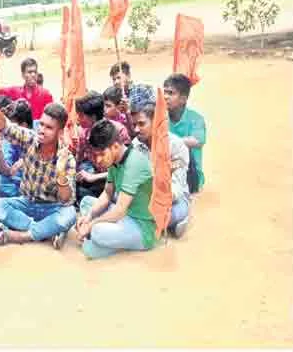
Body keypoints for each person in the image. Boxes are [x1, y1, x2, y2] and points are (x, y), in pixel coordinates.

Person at [0, 78, 77, 250]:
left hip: (52, 207)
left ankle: (24, 235)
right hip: (26, 203)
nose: (42, 130)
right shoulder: (30, 138)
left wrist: (60, 172)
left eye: (48, 128)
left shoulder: (67, 159)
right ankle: (46, 232)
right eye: (42, 125)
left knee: (69, 216)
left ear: (60, 132)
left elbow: (66, 199)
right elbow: (6, 127)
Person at [76, 120, 156, 259]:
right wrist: (88, 218)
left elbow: (119, 210)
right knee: (86, 203)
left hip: (141, 226)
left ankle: (100, 242)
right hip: (124, 216)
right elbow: (107, 194)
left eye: (101, 154)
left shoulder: (134, 163)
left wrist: (90, 225)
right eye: (96, 155)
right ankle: (104, 243)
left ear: (115, 146)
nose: (98, 160)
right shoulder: (114, 161)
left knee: (97, 232)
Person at [132, 103, 190, 238]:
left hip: (173, 199)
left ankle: (176, 219)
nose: (135, 129)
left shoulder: (176, 145)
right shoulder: (136, 144)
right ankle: (165, 225)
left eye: (141, 124)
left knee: (167, 211)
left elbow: (176, 189)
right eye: (134, 124)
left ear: (156, 122)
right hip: (146, 196)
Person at [71, 91, 131, 203]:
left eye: (81, 115)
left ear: (93, 117)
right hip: (101, 179)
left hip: (120, 181)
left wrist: (94, 177)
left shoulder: (118, 132)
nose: (78, 119)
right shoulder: (84, 134)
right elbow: (78, 161)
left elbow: (126, 169)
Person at [164, 73, 206, 193]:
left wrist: (167, 141)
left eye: (171, 93)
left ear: (183, 99)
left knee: (183, 150)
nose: (165, 97)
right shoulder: (161, 117)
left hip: (190, 174)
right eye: (165, 92)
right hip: (167, 170)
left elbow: (197, 142)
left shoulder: (196, 119)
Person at [0, 98, 33, 197]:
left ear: (24, 125)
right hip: (15, 184)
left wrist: (27, 159)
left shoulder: (39, 131)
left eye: (13, 127)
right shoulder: (9, 141)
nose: (9, 131)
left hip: (36, 185)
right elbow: (6, 171)